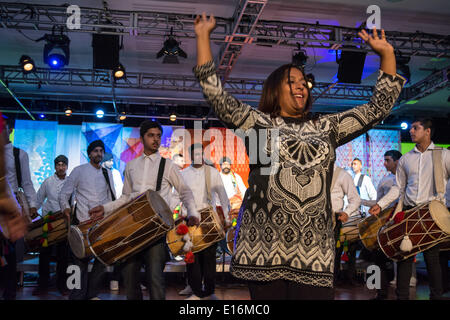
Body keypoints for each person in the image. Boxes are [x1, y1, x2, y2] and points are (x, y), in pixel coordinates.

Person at [193, 13, 405, 299]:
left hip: (313, 252)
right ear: (274, 89)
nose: (300, 85)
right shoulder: (257, 124)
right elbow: (215, 94)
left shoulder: (326, 128)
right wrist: (203, 36)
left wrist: (387, 54)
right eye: (291, 81)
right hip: (263, 250)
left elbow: (376, 109)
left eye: (303, 81)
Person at [90, 120, 200, 300]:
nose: (155, 139)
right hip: (132, 228)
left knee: (155, 279)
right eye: (151, 135)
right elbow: (126, 197)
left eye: (158, 136)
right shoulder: (132, 165)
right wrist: (105, 208)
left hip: (156, 232)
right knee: (130, 278)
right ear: (142, 138)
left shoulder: (168, 165)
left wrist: (193, 213)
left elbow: (185, 191)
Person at [394, 118, 450, 300]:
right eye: (410, 128)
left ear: (427, 131)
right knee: (404, 257)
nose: (411, 131)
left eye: (415, 128)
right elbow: (400, 189)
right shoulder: (405, 159)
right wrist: (397, 212)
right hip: (410, 211)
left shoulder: (443, 155)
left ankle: (436, 296)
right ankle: (401, 297)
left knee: (432, 259)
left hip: (431, 213)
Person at [59, 140, 116, 300]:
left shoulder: (107, 173)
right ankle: (76, 296)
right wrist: (66, 209)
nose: (99, 153)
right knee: (78, 264)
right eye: (95, 151)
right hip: (82, 223)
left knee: (101, 261)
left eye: (101, 151)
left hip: (102, 225)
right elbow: (64, 193)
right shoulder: (79, 171)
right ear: (89, 153)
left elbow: (112, 197)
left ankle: (92, 295)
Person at [181, 143, 231, 300]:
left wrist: (228, 217)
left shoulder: (212, 172)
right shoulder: (183, 174)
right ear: (190, 156)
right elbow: (177, 196)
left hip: (210, 220)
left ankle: (209, 291)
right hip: (190, 219)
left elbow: (223, 195)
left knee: (209, 258)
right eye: (194, 154)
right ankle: (196, 291)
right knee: (192, 257)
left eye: (199, 153)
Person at [0, 118, 37, 300]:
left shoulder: (18, 154)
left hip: (11, 207)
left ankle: (10, 292)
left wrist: (32, 206)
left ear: (9, 129)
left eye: (3, 128)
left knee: (11, 252)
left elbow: (27, 183)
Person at [363, 150, 402, 299]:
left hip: (400, 221)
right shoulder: (385, 180)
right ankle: (380, 291)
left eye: (387, 160)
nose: (384, 164)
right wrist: (361, 201)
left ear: (397, 161)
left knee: (402, 255)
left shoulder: (407, 178)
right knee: (377, 256)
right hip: (384, 223)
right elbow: (378, 202)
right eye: (384, 160)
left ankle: (404, 284)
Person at [33, 155, 70, 296]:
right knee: (44, 255)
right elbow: (39, 199)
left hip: (63, 222)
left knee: (63, 256)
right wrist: (32, 210)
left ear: (67, 166)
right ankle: (42, 286)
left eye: (63, 165)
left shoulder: (70, 182)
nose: (61, 167)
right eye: (58, 165)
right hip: (47, 222)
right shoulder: (48, 182)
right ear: (55, 166)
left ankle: (62, 285)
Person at [330, 165, 361, 285]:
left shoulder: (342, 174)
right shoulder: (315, 172)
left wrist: (347, 212)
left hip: (334, 219)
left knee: (334, 254)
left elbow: (355, 199)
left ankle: (332, 283)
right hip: (314, 219)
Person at [101, 152, 123, 292]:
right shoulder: (96, 173)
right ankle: (98, 282)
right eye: (109, 160)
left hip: (114, 213)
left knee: (117, 245)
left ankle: (115, 278)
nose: (111, 163)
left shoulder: (114, 173)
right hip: (100, 213)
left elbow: (120, 191)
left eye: (112, 160)